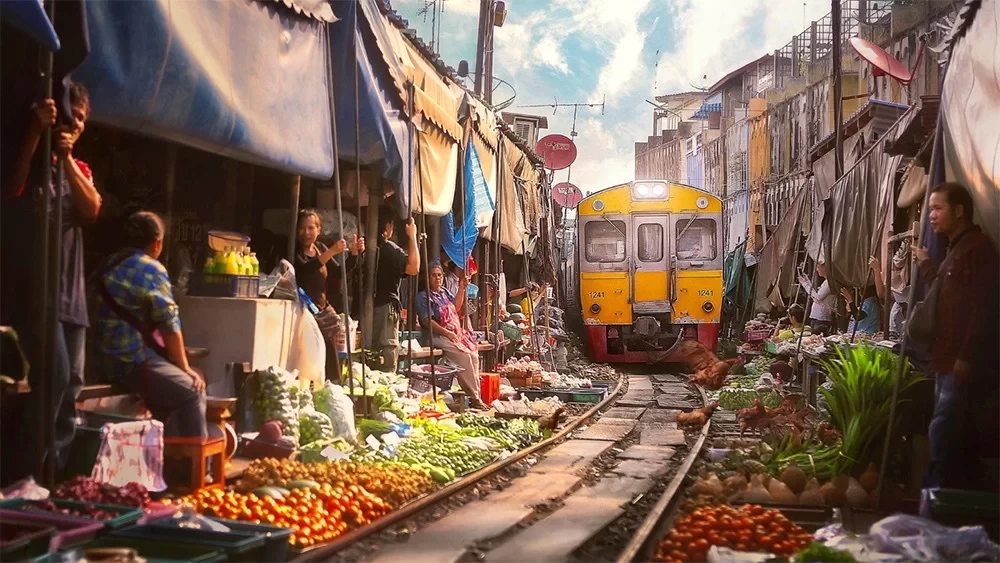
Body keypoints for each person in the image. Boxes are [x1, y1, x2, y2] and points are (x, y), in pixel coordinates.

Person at [7, 85, 102, 472]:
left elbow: (92, 208)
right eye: (69, 116)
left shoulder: (79, 169)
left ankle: (55, 479)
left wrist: (66, 159)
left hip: (73, 300)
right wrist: (34, 133)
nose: (74, 123)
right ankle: (24, 474)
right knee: (56, 377)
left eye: (81, 117)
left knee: (70, 389)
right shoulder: (32, 159)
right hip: (37, 293)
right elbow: (12, 187)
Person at [914, 182, 999, 490]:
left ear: (959, 211)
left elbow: (983, 307)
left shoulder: (977, 249)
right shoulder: (955, 251)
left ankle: (938, 501)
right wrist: (925, 265)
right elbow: (941, 293)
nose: (931, 215)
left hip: (959, 363)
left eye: (937, 208)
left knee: (944, 432)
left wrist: (966, 356)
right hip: (945, 359)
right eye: (930, 209)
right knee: (944, 429)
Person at [95, 212, 207, 438]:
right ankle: (193, 470)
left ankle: (168, 459)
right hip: (130, 362)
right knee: (193, 390)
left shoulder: (109, 264)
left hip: (101, 360)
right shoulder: (151, 268)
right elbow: (170, 326)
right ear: (157, 243)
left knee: (179, 386)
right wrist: (184, 367)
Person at [294, 209, 364, 381]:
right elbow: (306, 269)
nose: (306, 233)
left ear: (319, 230)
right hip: (300, 313)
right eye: (302, 228)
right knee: (306, 358)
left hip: (321, 311)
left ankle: (330, 386)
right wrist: (332, 251)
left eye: (311, 228)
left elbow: (339, 272)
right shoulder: (294, 250)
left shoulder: (320, 249)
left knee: (328, 358)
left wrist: (354, 254)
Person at [415, 262, 487, 409]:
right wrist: (447, 332)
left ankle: (476, 395)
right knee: (464, 357)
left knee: (473, 356)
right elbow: (426, 321)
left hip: (453, 335)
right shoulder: (423, 297)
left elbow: (457, 307)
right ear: (427, 278)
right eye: (433, 275)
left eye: (439, 275)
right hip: (437, 337)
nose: (437, 278)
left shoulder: (445, 293)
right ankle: (475, 397)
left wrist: (461, 288)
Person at [372, 209, 420, 372]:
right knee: (387, 354)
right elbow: (413, 267)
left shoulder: (362, 245)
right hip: (385, 308)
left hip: (364, 309)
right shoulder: (389, 250)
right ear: (388, 227)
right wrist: (412, 236)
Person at [798, 261, 834, 335]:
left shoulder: (829, 283)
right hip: (816, 316)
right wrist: (807, 281)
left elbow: (818, 297)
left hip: (822, 317)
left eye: (818, 267)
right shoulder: (825, 282)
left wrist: (805, 284)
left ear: (824, 268)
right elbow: (814, 295)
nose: (817, 270)